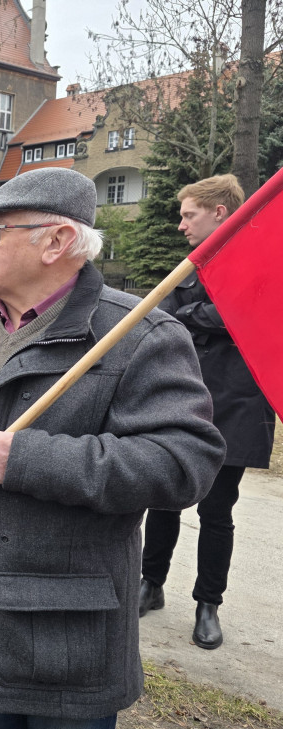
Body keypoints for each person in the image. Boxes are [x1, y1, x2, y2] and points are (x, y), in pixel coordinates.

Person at [0, 167, 225, 729]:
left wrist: (33, 460)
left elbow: (186, 462)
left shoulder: (139, 335)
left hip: (67, 641)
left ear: (57, 241)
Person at [139, 174, 276, 650]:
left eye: (188, 214)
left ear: (220, 212)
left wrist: (195, 315)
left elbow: (238, 314)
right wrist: (203, 314)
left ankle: (208, 604)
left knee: (217, 510)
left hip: (236, 403)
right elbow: (167, 311)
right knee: (164, 495)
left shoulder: (258, 257)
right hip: (184, 397)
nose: (181, 225)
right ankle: (150, 583)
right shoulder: (195, 264)